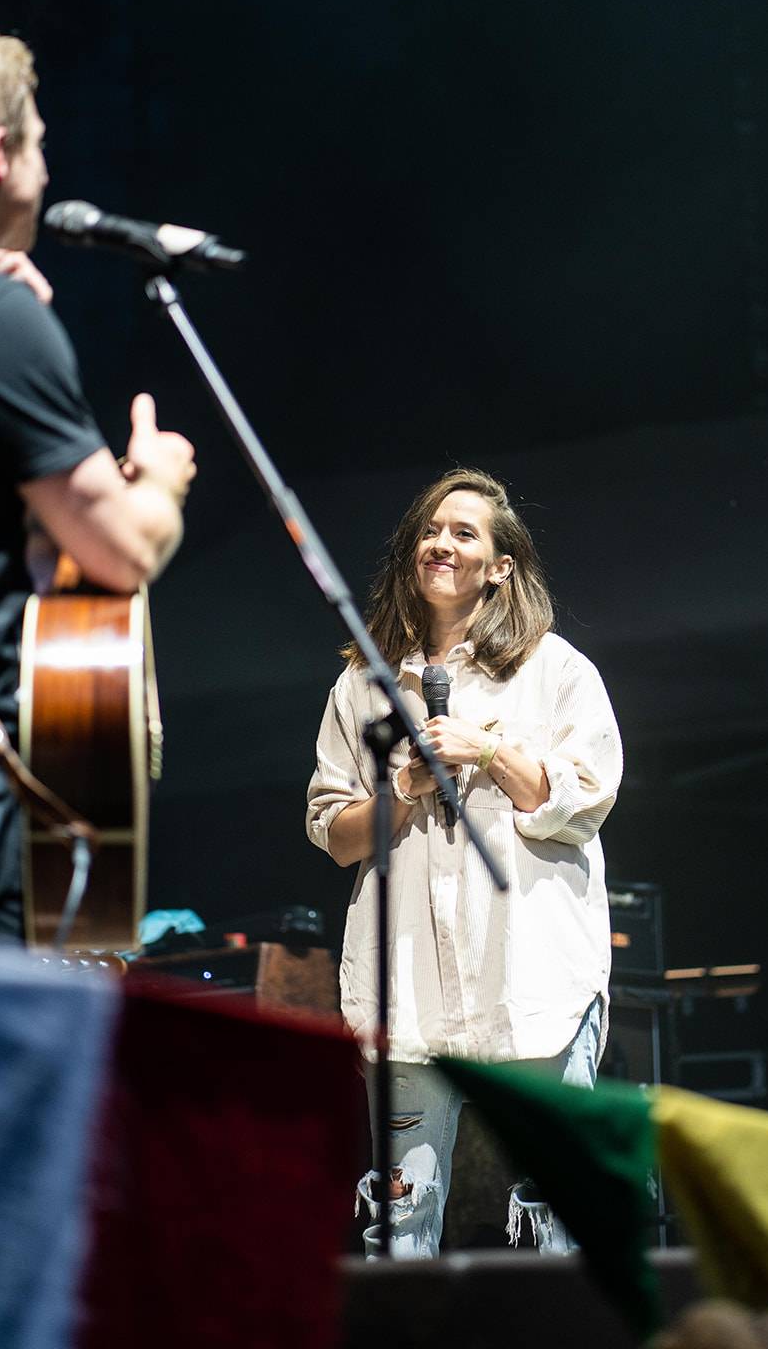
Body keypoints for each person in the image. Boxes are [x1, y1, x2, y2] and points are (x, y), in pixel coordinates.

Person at [306, 467, 622, 1257]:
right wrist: (405, 786)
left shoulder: (556, 671)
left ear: (500, 566)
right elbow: (333, 830)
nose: (440, 544)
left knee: (558, 1211)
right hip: (406, 990)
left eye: (463, 533)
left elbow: (586, 799)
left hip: (533, 980)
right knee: (398, 1216)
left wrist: (485, 747)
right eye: (430, 531)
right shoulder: (362, 685)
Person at [0, 25, 196, 939]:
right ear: (0, 154)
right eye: (40, 141)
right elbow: (120, 551)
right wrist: (159, 482)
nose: (47, 165)